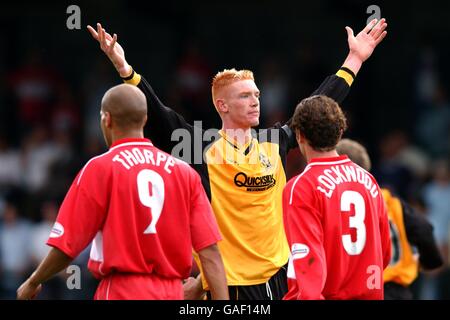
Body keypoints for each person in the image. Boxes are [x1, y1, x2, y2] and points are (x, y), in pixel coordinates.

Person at [87, 18, 388, 300]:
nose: (255, 100)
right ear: (222, 105)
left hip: (277, 275)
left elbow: (319, 104)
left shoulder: (273, 141)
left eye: (256, 94)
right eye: (244, 95)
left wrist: (355, 59)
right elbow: (159, 115)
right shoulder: (200, 145)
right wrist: (124, 68)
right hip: (227, 283)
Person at [16, 84, 229, 300]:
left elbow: (67, 247)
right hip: (173, 291)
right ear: (144, 120)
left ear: (106, 119)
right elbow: (211, 254)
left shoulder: (100, 168)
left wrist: (33, 281)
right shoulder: (185, 173)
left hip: (122, 290)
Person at [282, 95, 391, 299]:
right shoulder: (369, 180)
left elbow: (307, 259)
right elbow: (384, 253)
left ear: (299, 135)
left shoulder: (301, 186)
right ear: (340, 133)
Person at [336, 138, 443, 299]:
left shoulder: (338, 203)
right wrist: (431, 262)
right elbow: (424, 230)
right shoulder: (391, 201)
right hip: (398, 289)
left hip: (361, 289)